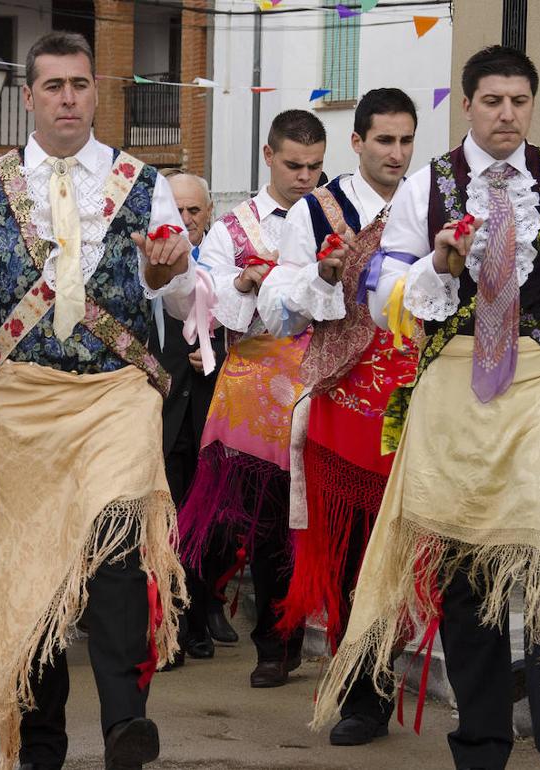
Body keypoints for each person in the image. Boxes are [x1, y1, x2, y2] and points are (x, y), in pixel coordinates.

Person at [315, 46, 540, 770]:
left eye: (519, 101)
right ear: (467, 105)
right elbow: (383, 290)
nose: (507, 114)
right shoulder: (427, 187)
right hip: (456, 379)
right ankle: (482, 742)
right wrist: (440, 265)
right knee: (467, 572)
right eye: (493, 100)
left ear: (531, 105)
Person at [0, 31, 195, 770]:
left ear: (96, 93)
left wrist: (171, 271)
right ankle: (40, 747)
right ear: (30, 96)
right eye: (54, 86)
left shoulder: (143, 180)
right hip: (25, 400)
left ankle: (124, 727)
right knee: (33, 575)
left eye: (80, 84)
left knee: (115, 546)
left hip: (117, 390)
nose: (68, 98)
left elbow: (179, 294)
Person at [259, 88, 419, 745]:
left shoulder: (431, 200)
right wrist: (323, 276)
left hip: (417, 404)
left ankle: (445, 676)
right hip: (346, 406)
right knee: (355, 560)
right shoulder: (319, 209)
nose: (398, 153)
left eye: (407, 140)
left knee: (421, 557)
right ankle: (363, 695)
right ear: (357, 143)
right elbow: (279, 310)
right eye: (385, 141)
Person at [177, 109, 327, 689]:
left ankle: (327, 632)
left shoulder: (335, 212)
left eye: (315, 166)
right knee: (266, 525)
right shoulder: (230, 229)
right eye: (294, 165)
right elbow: (210, 308)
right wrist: (242, 283)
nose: (306, 177)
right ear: (269, 157)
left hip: (322, 379)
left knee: (322, 519)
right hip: (258, 392)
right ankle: (274, 642)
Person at [153, 170, 233, 667]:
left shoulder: (224, 262)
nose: (185, 220)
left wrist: (216, 355)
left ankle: (202, 613)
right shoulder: (149, 265)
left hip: (215, 411)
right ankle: (171, 627)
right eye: (176, 210)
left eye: (194, 211)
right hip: (161, 412)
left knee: (213, 527)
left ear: (208, 214)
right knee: (166, 525)